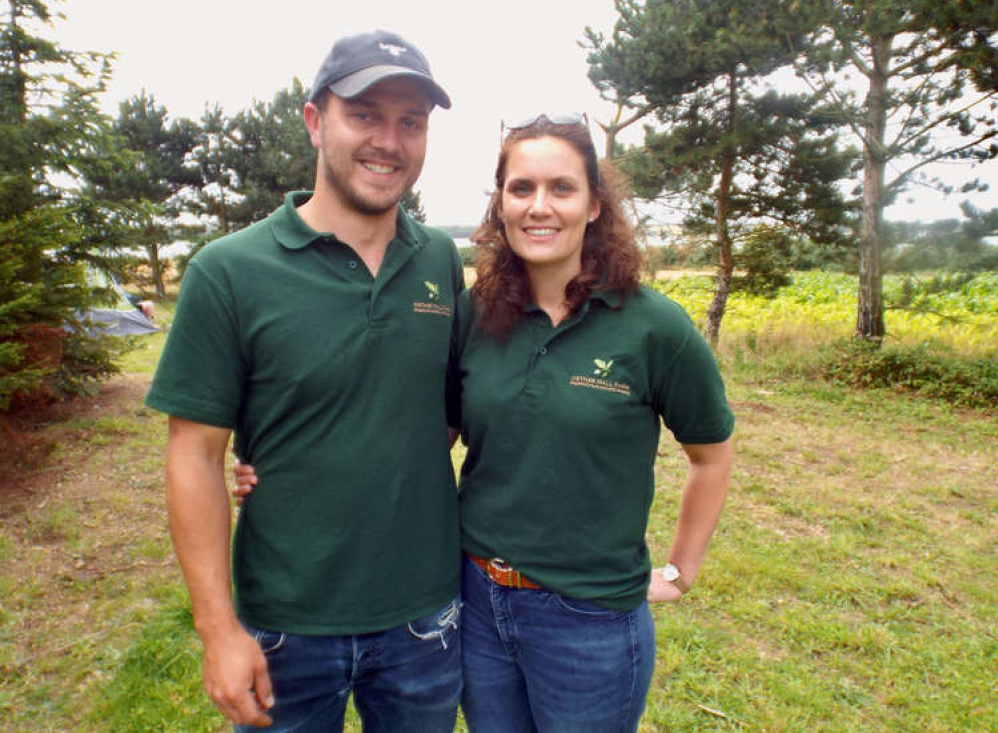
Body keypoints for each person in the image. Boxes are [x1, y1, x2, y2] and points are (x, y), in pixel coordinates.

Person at [236, 114, 735, 732]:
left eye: (562, 188)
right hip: (474, 601)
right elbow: (427, 427)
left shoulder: (655, 327)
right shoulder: (474, 313)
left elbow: (711, 454)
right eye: (521, 188)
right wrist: (289, 468)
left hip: (589, 616)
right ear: (500, 203)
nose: (539, 207)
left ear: (596, 206)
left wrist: (682, 572)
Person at [145, 30, 464, 732]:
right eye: (365, 114)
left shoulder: (439, 259)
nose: (389, 139)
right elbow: (193, 453)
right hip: (284, 625)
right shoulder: (228, 271)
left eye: (410, 121)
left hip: (424, 619)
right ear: (316, 121)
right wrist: (218, 630)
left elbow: (446, 410)